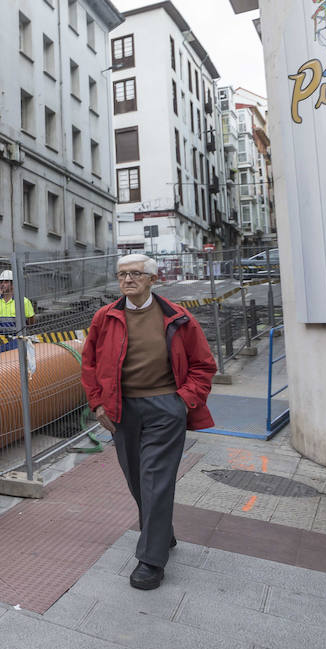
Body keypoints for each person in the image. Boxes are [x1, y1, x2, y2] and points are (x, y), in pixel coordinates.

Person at [81, 253, 216, 590]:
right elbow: (90, 363)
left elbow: (204, 365)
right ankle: (162, 532)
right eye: (122, 274)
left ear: (153, 279)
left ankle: (151, 561)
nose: (128, 280)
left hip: (164, 408)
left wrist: (182, 401)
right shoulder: (105, 317)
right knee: (137, 481)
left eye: (136, 274)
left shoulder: (178, 318)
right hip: (121, 410)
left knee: (156, 479)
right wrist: (98, 404)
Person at [0, 269, 34, 348]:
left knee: (16, 359)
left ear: (13, 284)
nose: (2, 284)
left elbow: (31, 321)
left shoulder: (24, 302)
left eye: (6, 282)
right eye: (1, 282)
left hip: (17, 339)